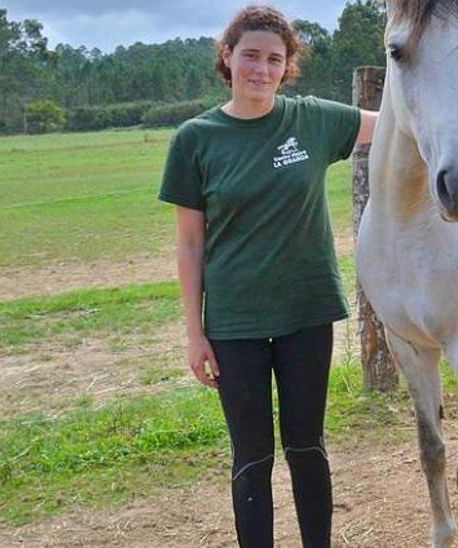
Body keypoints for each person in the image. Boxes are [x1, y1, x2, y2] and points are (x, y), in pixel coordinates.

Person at [157, 5, 377, 547]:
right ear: (228, 58)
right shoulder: (195, 139)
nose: (261, 68)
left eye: (274, 59)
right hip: (235, 323)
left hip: (306, 312)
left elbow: (403, 124)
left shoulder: (313, 120)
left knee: (307, 446)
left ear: (288, 67)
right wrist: (194, 332)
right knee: (252, 457)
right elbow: (189, 244)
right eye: (250, 55)